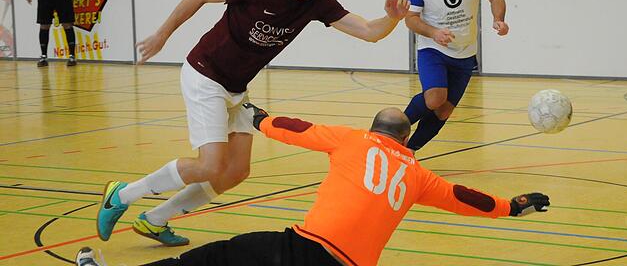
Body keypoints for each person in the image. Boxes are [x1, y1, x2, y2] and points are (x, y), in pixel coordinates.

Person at [96, 0, 410, 247]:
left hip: (236, 88)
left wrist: (392, 19)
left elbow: (369, 32)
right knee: (209, 165)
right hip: (204, 74)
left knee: (235, 171)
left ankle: (155, 220)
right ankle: (121, 195)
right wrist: (162, 35)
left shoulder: (319, 3)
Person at [78, 106, 550, 266]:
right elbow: (465, 199)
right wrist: (514, 205)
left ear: (373, 129)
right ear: (406, 140)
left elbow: (297, 129)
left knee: (214, 258)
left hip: (303, 250)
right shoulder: (417, 173)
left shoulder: (351, 140)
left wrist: (258, 120)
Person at [403, 0, 508, 151]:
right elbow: (410, 19)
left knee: (444, 110)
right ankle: (387, 132)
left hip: (465, 52)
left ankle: (408, 151)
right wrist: (434, 32)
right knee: (434, 98)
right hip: (433, 49)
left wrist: (498, 19)